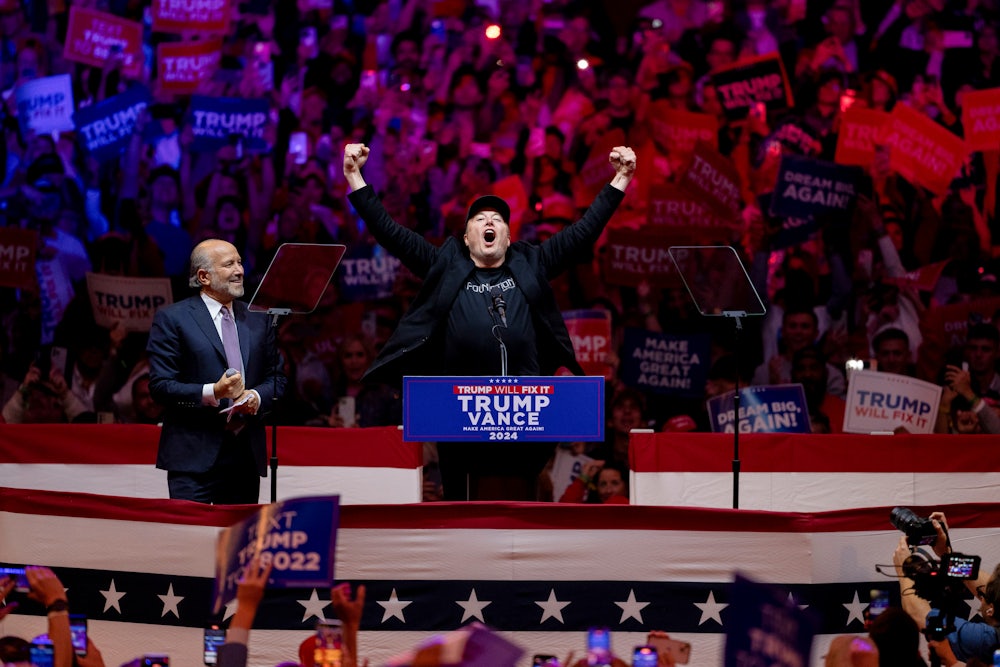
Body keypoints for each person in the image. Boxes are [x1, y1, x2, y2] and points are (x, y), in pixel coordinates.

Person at [342, 141, 636, 500]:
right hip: (458, 413)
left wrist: (621, 178)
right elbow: (392, 234)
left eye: (497, 219)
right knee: (461, 504)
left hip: (525, 413)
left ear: (509, 238)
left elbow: (582, 233)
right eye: (479, 219)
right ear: (467, 239)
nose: (489, 222)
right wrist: (355, 177)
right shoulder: (445, 266)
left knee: (518, 503)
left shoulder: (531, 263)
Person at [147, 239, 286, 504]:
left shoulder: (259, 318)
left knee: (239, 533)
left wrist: (256, 397)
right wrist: (214, 391)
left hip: (245, 456)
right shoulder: (173, 319)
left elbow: (277, 378)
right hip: (192, 458)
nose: (239, 270)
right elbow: (160, 387)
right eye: (229, 264)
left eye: (240, 262)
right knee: (190, 532)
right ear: (204, 277)